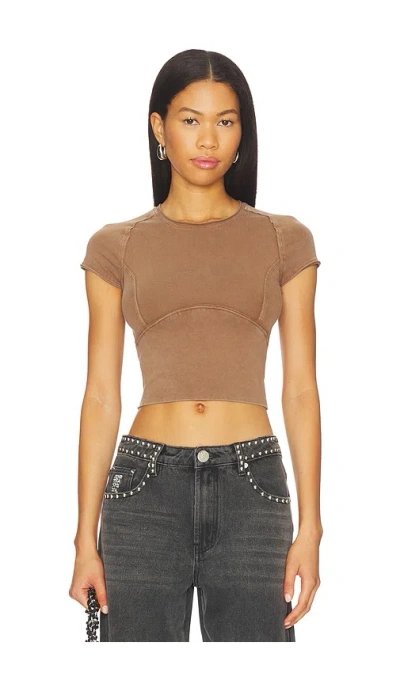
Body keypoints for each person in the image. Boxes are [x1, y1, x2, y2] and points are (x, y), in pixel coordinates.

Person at [69, 48, 323, 642]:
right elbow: (101, 395)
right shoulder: (115, 245)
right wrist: (84, 539)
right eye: (191, 120)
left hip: (252, 488)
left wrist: (311, 527)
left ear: (242, 131)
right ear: (159, 128)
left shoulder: (284, 239)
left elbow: (301, 390)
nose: (209, 139)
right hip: (143, 490)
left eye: (225, 121)